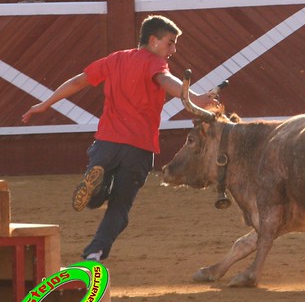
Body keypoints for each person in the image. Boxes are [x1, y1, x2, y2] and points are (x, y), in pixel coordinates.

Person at [21, 15, 220, 262]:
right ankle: (95, 252)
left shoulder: (115, 59)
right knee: (120, 208)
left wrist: (45, 104)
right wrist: (194, 97)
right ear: (153, 40)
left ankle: (96, 185)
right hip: (138, 148)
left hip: (106, 143)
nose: (173, 49)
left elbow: (78, 81)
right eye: (170, 42)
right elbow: (167, 80)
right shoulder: (155, 63)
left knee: (95, 197)